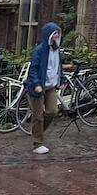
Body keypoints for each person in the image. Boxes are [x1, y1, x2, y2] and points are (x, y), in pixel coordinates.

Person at [24, 22, 63, 156]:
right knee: (38, 115)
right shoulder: (39, 50)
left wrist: (60, 81)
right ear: (49, 35)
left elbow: (58, 67)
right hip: (38, 87)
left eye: (57, 34)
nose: (56, 36)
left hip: (51, 86)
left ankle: (37, 132)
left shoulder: (57, 51)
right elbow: (33, 68)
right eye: (54, 34)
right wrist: (36, 84)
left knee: (52, 111)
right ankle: (37, 143)